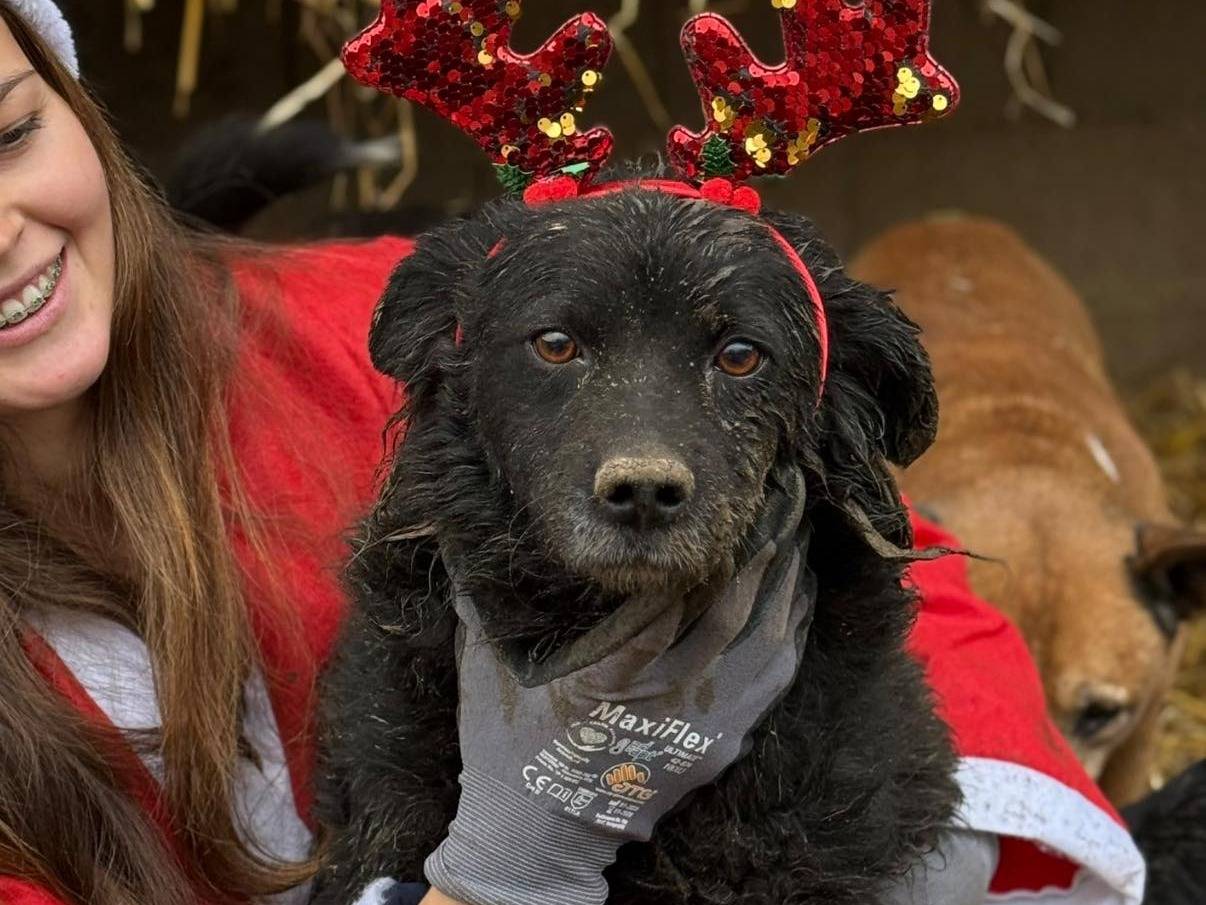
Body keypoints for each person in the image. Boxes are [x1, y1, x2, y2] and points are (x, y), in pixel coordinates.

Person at [0, 3, 1146, 905]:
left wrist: (956, 865)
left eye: (8, 133)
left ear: (75, 109)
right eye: (556, 347)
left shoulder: (353, 320)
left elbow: (918, 559)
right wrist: (515, 858)